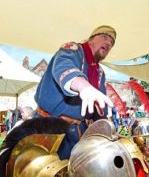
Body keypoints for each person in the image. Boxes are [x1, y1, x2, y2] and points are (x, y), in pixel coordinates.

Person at [34, 25, 115, 159]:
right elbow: (64, 65)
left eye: (111, 44)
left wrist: (106, 131)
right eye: (104, 37)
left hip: (76, 133)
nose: (108, 43)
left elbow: (99, 108)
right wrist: (84, 87)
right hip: (47, 127)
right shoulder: (73, 49)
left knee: (74, 175)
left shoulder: (100, 73)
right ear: (91, 40)